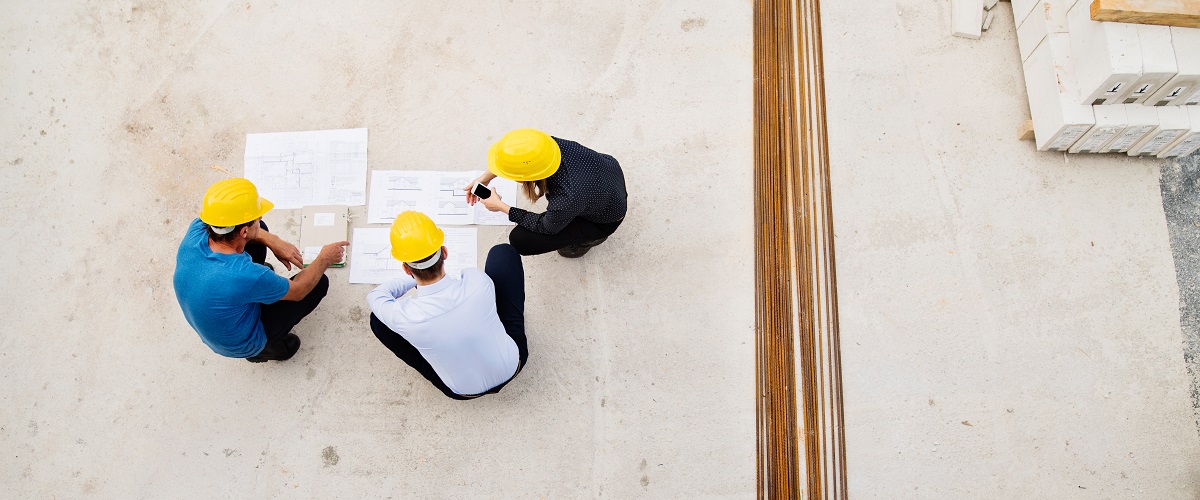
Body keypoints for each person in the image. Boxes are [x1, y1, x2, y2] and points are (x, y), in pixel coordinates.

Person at [173, 178, 348, 363]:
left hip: (213, 310)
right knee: (318, 284)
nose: (261, 218)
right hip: (239, 343)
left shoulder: (198, 229)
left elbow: (251, 233)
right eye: (257, 217)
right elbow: (299, 291)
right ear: (243, 232)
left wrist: (274, 240)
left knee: (261, 232)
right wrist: (324, 258)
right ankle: (263, 350)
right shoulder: (246, 275)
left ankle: (250, 295)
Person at [366, 211, 528, 400]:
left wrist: (416, 276)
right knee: (502, 253)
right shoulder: (477, 281)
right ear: (444, 252)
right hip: (512, 365)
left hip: (463, 392)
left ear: (405, 268)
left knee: (377, 321)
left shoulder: (404, 317)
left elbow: (376, 295)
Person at [465, 128, 628, 258]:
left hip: (604, 218)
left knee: (520, 240)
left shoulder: (566, 198)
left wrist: (501, 206)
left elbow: (546, 227)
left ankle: (589, 240)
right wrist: (485, 178)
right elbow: (517, 158)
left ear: (526, 178)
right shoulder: (543, 144)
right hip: (609, 173)